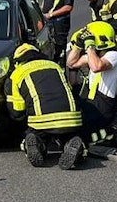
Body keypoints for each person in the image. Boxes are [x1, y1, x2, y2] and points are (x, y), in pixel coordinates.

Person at [7, 42, 87, 170]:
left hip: (41, 120)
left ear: (17, 61)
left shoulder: (17, 74)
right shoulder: (55, 66)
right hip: (71, 117)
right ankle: (71, 144)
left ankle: (37, 144)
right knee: (67, 134)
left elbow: (17, 112)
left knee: (36, 132)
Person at [65, 22, 117, 152]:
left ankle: (110, 134)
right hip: (91, 100)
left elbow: (96, 67)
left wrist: (90, 46)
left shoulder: (114, 56)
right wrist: (78, 45)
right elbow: (71, 63)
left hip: (104, 104)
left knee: (80, 131)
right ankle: (84, 139)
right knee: (70, 122)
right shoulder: (94, 56)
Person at [41, 0, 75, 67]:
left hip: (59, 24)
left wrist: (50, 15)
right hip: (48, 22)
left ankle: (60, 71)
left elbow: (68, 7)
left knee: (58, 50)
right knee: (48, 48)